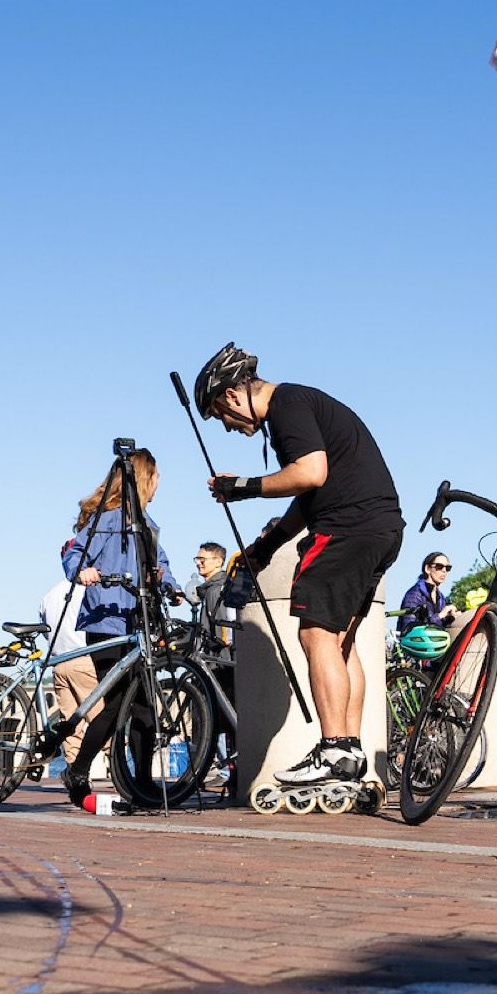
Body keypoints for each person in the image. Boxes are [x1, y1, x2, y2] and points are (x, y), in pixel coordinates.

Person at [192, 344, 403, 792]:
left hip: (346, 528)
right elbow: (308, 499)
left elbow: (310, 473)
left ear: (232, 396)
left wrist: (243, 487)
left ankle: (334, 748)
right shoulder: (301, 404)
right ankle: (350, 754)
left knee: (315, 634)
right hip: (379, 528)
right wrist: (267, 545)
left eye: (221, 416)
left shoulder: (286, 406)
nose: (229, 428)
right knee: (340, 640)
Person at [54, 447, 181, 812]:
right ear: (145, 479)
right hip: (107, 623)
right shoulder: (108, 521)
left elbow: (162, 563)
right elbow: (74, 552)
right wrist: (82, 571)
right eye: (156, 479)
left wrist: (169, 585)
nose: (159, 486)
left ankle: (141, 782)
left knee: (142, 707)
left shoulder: (147, 526)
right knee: (116, 704)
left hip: (138, 624)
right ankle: (78, 770)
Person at [396, 552, 459, 639]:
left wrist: (452, 618)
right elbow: (408, 629)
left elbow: (438, 626)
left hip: (434, 647)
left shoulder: (440, 597)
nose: (444, 571)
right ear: (427, 569)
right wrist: (440, 615)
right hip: (415, 649)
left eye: (447, 568)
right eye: (439, 566)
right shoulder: (414, 594)